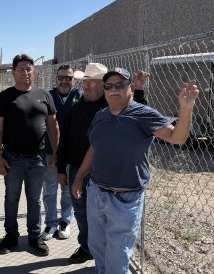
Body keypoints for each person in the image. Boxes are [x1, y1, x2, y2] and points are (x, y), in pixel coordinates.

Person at [71, 68, 198, 273]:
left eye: (120, 85)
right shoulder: (100, 116)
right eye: (109, 86)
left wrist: (186, 109)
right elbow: (94, 148)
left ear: (131, 87)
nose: (114, 90)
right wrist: (79, 177)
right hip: (96, 193)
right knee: (97, 247)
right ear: (104, 91)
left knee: (117, 256)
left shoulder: (144, 114)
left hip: (125, 200)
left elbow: (178, 138)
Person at [57, 63, 149, 264]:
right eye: (85, 82)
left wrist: (139, 90)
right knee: (81, 213)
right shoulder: (76, 109)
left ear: (104, 87)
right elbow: (64, 140)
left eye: (93, 83)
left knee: (105, 220)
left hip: (104, 175)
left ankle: (108, 255)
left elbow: (137, 114)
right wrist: (60, 169)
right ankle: (86, 247)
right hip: (75, 170)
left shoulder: (112, 109)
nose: (87, 87)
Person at [0, 54, 59, 256]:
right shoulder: (4, 97)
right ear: (13, 72)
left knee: (34, 200)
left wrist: (56, 152)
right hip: (12, 158)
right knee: (11, 199)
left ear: (34, 71)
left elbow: (53, 125)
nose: (25, 72)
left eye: (29, 68)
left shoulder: (44, 95)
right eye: (21, 69)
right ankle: (11, 236)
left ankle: (34, 236)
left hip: (38, 159)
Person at [41, 64, 82, 241]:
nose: (65, 81)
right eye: (61, 77)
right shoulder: (47, 96)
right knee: (49, 189)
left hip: (71, 153)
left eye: (69, 77)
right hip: (50, 152)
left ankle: (65, 221)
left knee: (67, 189)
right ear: (56, 79)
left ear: (74, 80)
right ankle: (50, 223)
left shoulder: (80, 96)